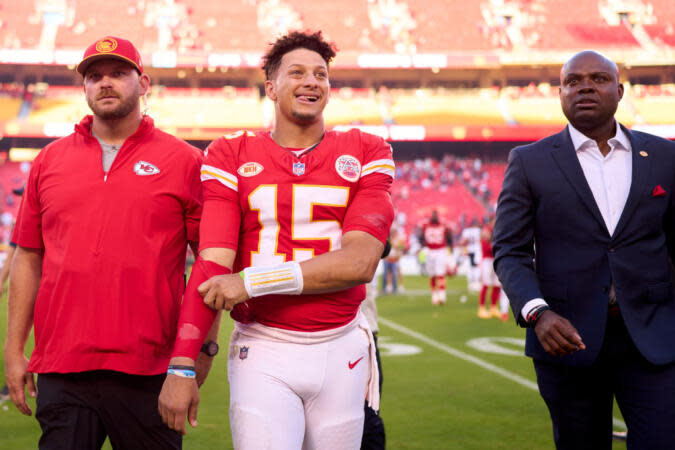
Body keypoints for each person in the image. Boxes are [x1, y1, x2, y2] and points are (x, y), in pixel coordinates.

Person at [158, 30, 395, 450]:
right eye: (298, 72)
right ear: (271, 87)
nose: (312, 82)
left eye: (321, 74)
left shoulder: (366, 149)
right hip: (264, 344)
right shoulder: (232, 154)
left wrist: (249, 282)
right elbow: (213, 263)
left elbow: (359, 262)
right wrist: (182, 365)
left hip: (342, 344)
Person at [5, 36, 210, 450]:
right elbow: (28, 256)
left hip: (149, 370)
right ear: (84, 87)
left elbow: (209, 264)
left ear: (144, 82)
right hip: (63, 367)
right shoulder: (49, 161)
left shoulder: (185, 161)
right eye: (94, 76)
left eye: (118, 73)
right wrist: (13, 349)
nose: (105, 83)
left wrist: (198, 353)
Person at [493, 50, 675, 449]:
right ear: (560, 93)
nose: (585, 86)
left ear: (620, 90)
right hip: (566, 339)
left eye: (598, 78)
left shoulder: (665, 155)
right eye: (573, 81)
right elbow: (510, 250)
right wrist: (537, 312)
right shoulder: (528, 161)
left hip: (652, 336)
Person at [421, 210, 452, 305]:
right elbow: (422, 237)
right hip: (430, 251)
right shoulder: (425, 225)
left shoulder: (443, 225)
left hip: (440, 250)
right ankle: (434, 296)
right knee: (432, 275)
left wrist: (450, 247)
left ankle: (442, 296)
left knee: (440, 274)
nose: (434, 217)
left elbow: (449, 236)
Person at [477, 224, 502, 319]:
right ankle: (481, 308)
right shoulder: (487, 229)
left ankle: (493, 307)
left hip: (495, 260)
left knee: (496, 284)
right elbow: (488, 249)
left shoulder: (499, 228)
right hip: (487, 261)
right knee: (486, 284)